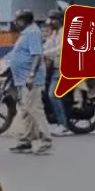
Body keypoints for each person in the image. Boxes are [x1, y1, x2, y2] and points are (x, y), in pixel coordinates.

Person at [7, 9, 52, 155]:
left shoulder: (33, 33)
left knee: (34, 109)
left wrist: (31, 75)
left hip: (30, 79)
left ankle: (46, 140)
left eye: (18, 20)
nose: (15, 23)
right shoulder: (27, 33)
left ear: (25, 20)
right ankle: (26, 140)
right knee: (26, 110)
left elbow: (37, 55)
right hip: (22, 78)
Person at [42, 8, 70, 136]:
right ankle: (52, 119)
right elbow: (47, 45)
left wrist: (44, 53)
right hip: (53, 68)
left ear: (59, 20)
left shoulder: (65, 32)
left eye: (53, 19)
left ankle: (63, 125)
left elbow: (61, 49)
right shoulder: (54, 33)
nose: (50, 21)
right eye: (50, 19)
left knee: (53, 95)